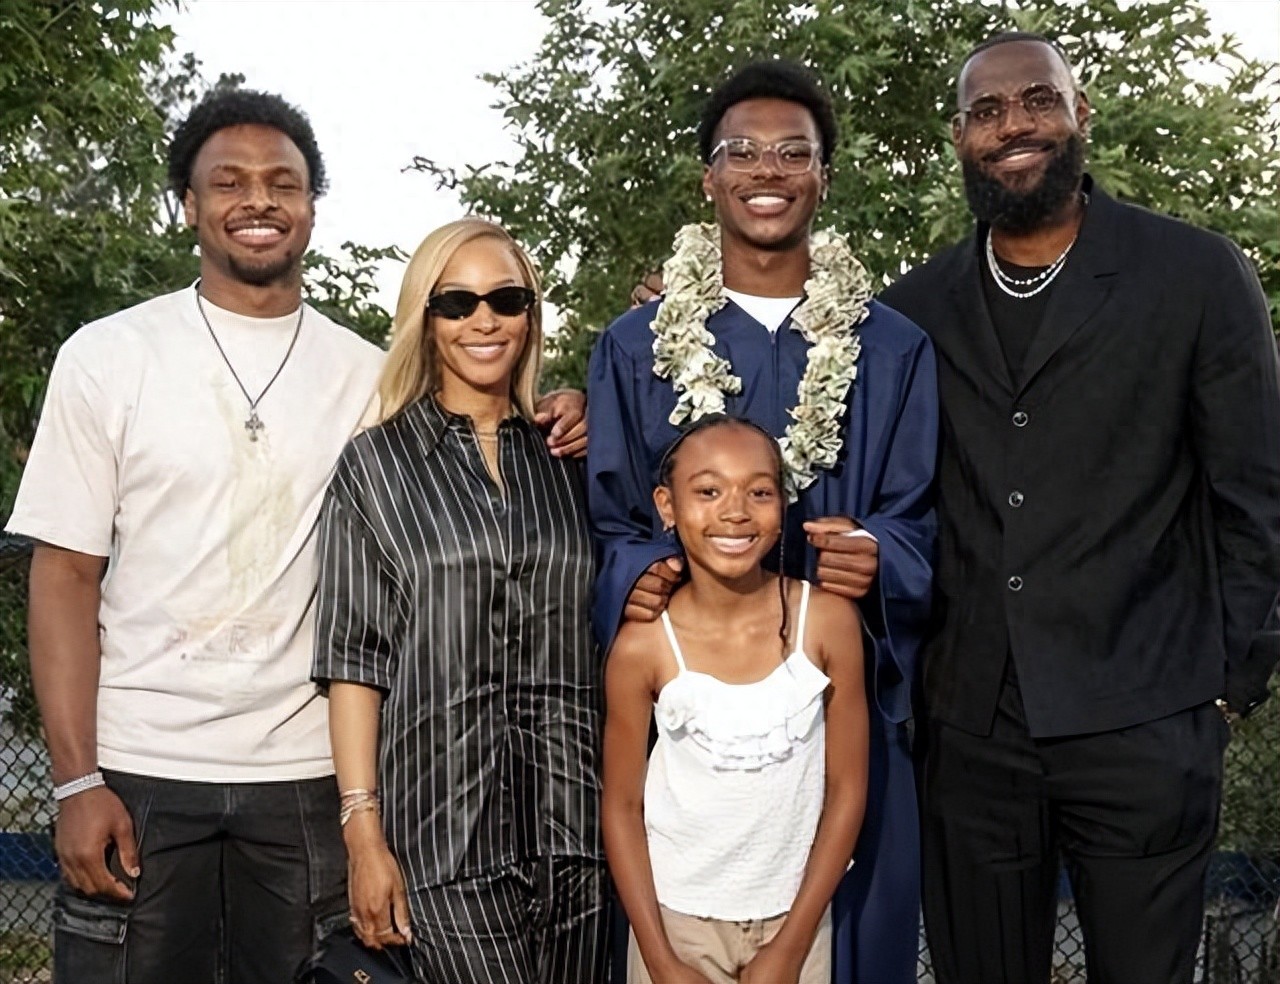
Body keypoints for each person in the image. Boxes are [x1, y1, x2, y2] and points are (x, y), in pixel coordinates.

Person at [6, 91, 586, 984]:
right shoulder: (108, 356)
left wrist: (565, 412)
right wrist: (77, 781)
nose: (259, 200)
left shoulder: (370, 380)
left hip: (306, 782)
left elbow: (476, 433)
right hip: (139, 768)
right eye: (228, 181)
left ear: (313, 204)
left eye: (284, 182)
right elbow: (64, 576)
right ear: (188, 204)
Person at [879, 32, 1280, 984]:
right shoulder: (915, 309)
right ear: (959, 137)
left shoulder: (1194, 274)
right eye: (986, 112)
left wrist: (1228, 682)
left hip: (1146, 718)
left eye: (1038, 101)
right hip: (971, 736)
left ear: (1079, 113)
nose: (1013, 126)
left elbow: (1257, 494)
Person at [589, 60, 937, 984]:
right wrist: (642, 574)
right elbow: (614, 520)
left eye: (793, 153)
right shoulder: (634, 347)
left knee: (845, 947)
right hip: (698, 724)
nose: (767, 171)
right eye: (741, 152)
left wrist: (882, 554)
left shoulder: (893, 347)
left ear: (823, 176)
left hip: (844, 692)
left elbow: (918, 513)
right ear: (709, 178)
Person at [313, 218, 608, 984]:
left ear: (530, 317)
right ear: (426, 317)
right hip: (442, 843)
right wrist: (363, 835)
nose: (485, 321)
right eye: (457, 302)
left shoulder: (574, 458)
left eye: (506, 300)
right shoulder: (376, 468)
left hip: (582, 834)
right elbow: (354, 662)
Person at [603, 415, 868, 984]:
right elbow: (621, 807)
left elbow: (847, 789)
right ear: (667, 505)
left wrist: (791, 947)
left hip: (796, 923)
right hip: (676, 928)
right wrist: (661, 961)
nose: (736, 512)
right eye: (708, 491)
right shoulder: (643, 645)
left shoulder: (827, 622)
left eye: (759, 492)